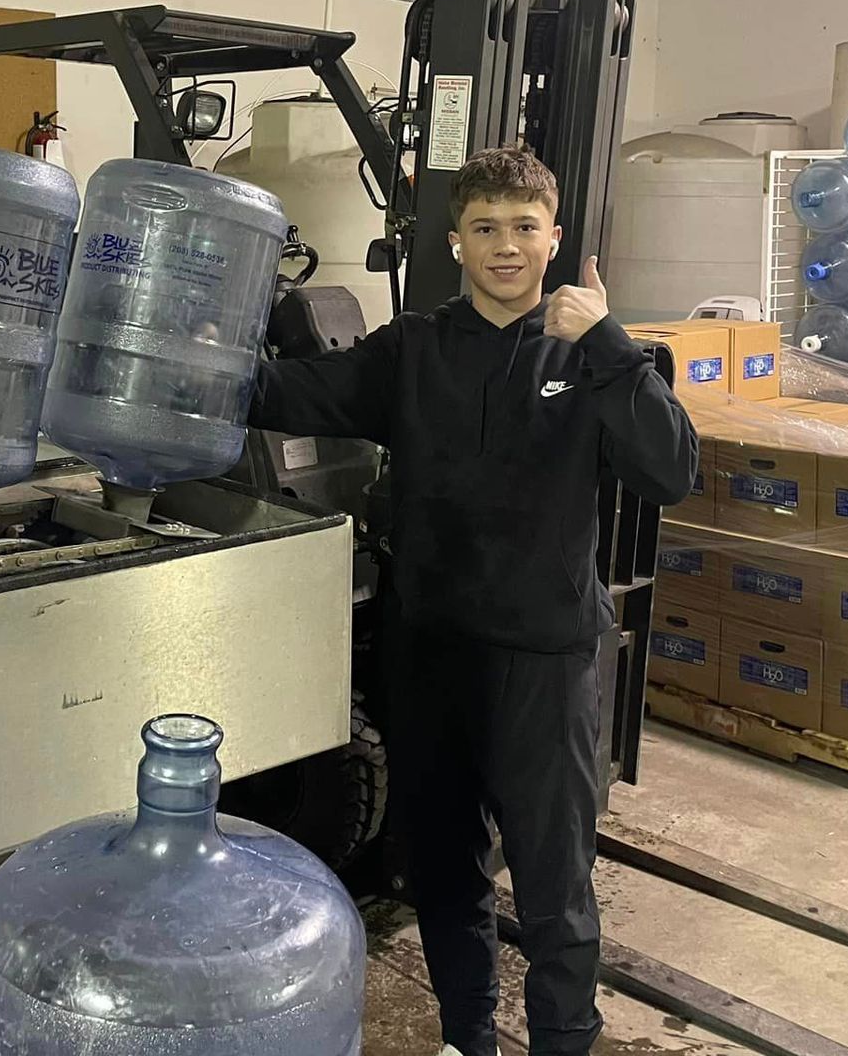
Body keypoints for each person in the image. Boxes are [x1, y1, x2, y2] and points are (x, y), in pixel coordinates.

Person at [249, 146, 698, 1055]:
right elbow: (287, 391)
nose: (506, 247)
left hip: (543, 659)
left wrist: (608, 346)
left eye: (524, 229)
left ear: (555, 238)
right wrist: (165, 349)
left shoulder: (597, 358)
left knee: (553, 885)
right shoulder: (412, 349)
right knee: (446, 877)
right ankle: (468, 1037)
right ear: (456, 242)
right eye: (486, 229)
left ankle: (563, 1042)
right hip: (432, 653)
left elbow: (671, 471)